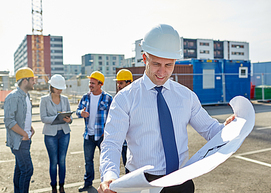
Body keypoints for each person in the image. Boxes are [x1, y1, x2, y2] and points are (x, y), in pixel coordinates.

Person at [98, 24, 235, 193]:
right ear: (144, 58)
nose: (162, 72)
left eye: (168, 65)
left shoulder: (186, 96)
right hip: (141, 184)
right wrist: (110, 175)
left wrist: (229, 129)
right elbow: (112, 142)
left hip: (181, 181)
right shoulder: (125, 98)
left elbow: (210, 129)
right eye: (156, 64)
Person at [76, 71, 113, 192]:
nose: (90, 85)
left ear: (100, 84)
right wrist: (81, 113)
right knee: (88, 161)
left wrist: (105, 131)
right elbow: (77, 110)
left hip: (102, 136)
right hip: (88, 135)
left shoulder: (108, 98)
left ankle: (106, 184)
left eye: (93, 83)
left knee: (105, 161)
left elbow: (113, 117)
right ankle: (87, 183)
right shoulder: (85, 97)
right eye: (90, 82)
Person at [4, 67, 36, 193]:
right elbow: (9, 120)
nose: (34, 82)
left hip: (25, 138)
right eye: (32, 80)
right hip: (19, 140)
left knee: (20, 169)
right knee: (27, 170)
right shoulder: (13, 97)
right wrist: (24, 133)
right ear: (25, 81)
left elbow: (22, 116)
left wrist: (29, 128)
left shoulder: (26, 96)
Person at [39, 74, 72, 193]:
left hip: (64, 133)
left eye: (61, 89)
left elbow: (70, 117)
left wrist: (69, 120)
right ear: (51, 87)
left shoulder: (65, 99)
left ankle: (62, 185)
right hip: (50, 135)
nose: (59, 91)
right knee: (53, 161)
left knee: (62, 161)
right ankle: (53, 186)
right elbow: (43, 118)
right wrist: (57, 118)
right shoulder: (44, 100)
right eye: (57, 88)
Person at [114, 69, 133, 174]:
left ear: (128, 82)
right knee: (127, 168)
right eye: (118, 83)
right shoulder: (118, 99)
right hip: (123, 142)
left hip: (134, 142)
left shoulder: (136, 98)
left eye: (121, 83)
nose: (119, 86)